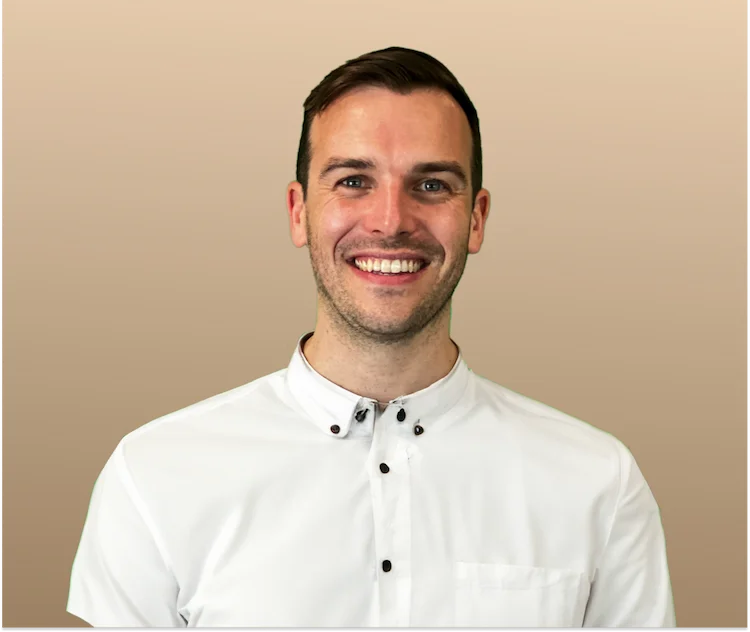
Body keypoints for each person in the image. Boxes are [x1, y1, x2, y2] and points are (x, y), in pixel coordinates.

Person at [67, 46, 676, 628]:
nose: (390, 221)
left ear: (477, 218)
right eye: (354, 180)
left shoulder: (597, 484)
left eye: (431, 185)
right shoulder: (155, 476)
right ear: (298, 211)